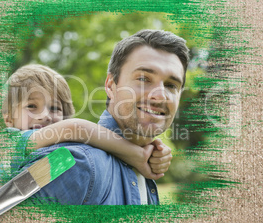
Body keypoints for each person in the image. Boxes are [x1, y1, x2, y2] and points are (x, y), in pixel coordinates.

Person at [15, 29, 189, 205]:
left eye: (170, 85)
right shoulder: (76, 163)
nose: (160, 96)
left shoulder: (143, 173)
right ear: (110, 85)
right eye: (144, 78)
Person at [1, 64, 172, 182]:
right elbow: (77, 128)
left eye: (55, 108)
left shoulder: (62, 149)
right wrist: (137, 154)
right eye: (31, 106)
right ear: (9, 119)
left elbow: (96, 142)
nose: (44, 115)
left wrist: (147, 145)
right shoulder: (12, 141)